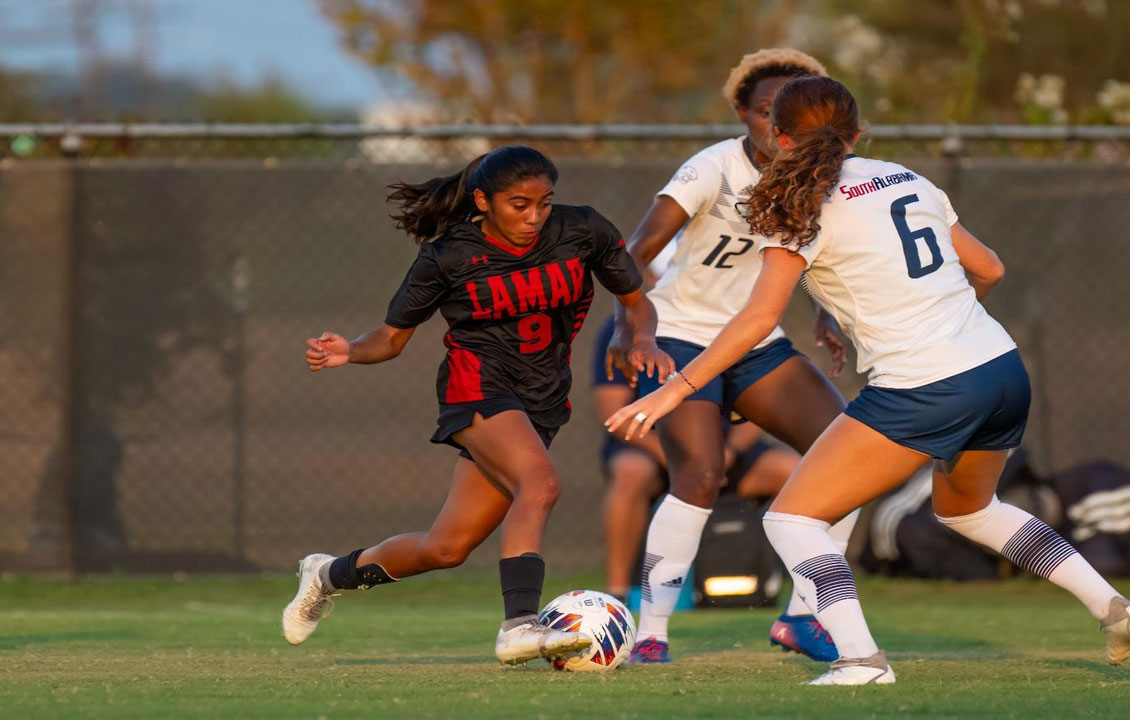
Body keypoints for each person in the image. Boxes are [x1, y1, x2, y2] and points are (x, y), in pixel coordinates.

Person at [606, 76, 1130, 685]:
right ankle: (1115, 607)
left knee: (790, 520)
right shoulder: (906, 176)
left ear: (781, 136)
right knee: (971, 511)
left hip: (924, 384)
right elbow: (990, 269)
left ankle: (862, 661)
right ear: (859, 134)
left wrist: (675, 388)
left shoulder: (797, 205)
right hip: (1000, 368)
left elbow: (756, 322)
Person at [281, 145, 673, 666]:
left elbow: (634, 300)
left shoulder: (582, 230)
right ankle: (519, 627)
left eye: (544, 203)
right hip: (477, 387)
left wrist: (639, 338)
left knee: (445, 548)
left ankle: (327, 575)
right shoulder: (449, 256)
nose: (534, 217)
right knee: (541, 484)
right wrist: (350, 350)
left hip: (542, 399)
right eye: (519, 204)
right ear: (483, 201)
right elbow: (391, 338)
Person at [610, 48, 888, 664]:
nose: (774, 126)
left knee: (854, 458)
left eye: (785, 113)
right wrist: (633, 329)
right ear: (745, 113)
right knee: (700, 476)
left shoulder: (823, 177)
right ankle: (649, 633)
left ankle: (800, 618)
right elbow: (633, 251)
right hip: (683, 337)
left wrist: (822, 313)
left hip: (758, 346)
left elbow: (808, 259)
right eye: (764, 111)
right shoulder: (713, 167)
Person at [592, 312, 803, 602]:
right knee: (631, 472)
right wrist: (679, 460)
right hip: (653, 448)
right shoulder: (625, 327)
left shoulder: (740, 317)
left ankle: (795, 585)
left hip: (724, 447)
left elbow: (763, 405)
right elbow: (612, 411)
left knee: (794, 470)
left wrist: (726, 454)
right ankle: (617, 590)